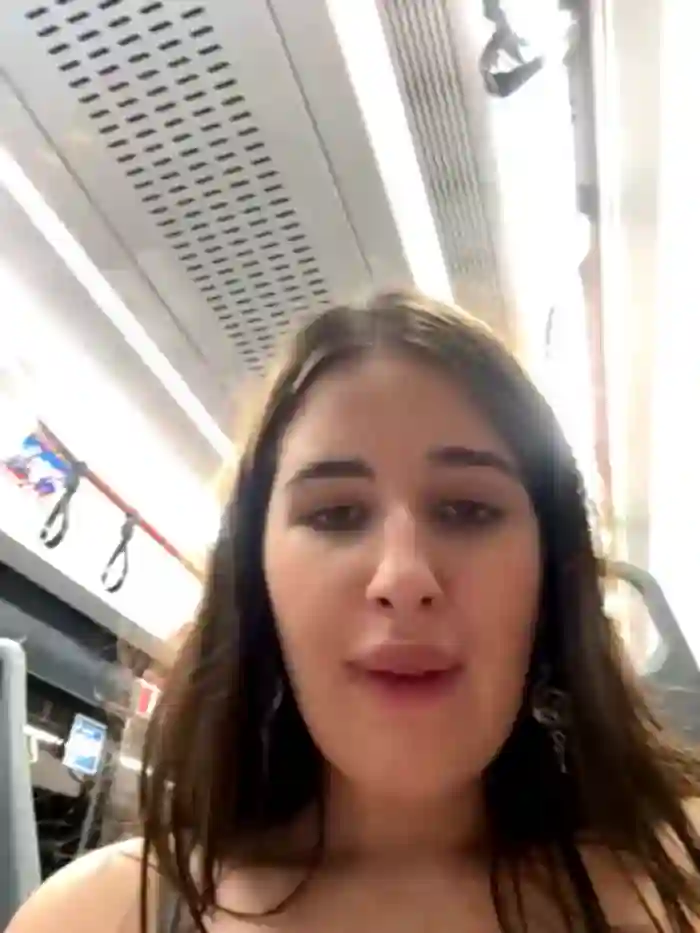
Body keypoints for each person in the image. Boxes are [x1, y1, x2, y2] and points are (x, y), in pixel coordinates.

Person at [9, 291, 700, 933]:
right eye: (336, 514)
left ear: (549, 577)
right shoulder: (100, 915)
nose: (403, 577)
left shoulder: (682, 884)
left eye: (467, 509)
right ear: (258, 584)